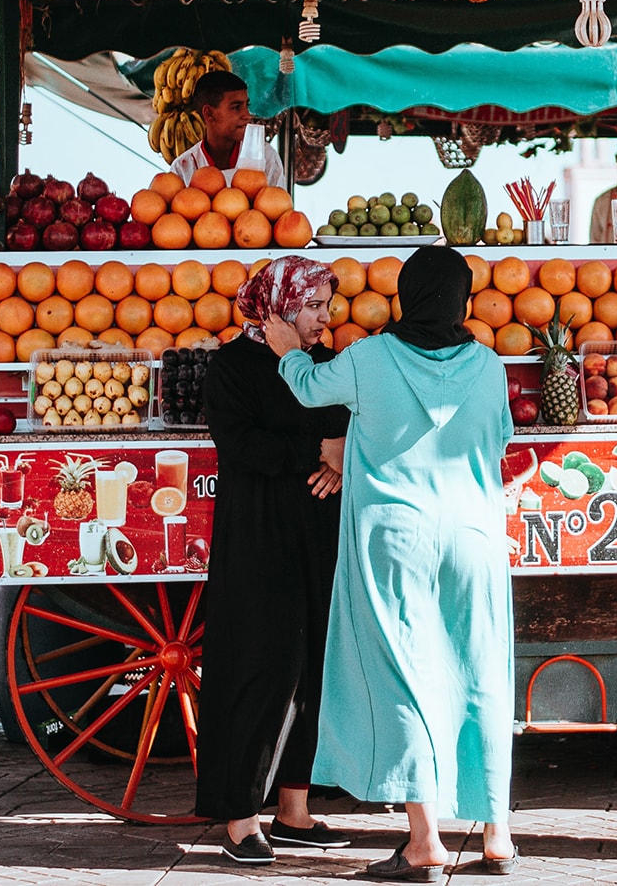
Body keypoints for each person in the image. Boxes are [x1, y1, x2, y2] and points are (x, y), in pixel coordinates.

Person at [264, 246, 516, 881]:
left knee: (405, 675)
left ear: (404, 296)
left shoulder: (369, 357)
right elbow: (501, 438)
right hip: (474, 538)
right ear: (462, 300)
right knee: (482, 670)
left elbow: (306, 387)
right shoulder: (487, 365)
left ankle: (425, 840)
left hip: (395, 538)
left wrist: (285, 348)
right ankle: (497, 835)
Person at [193, 256, 353, 865]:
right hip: (259, 537)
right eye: (313, 306)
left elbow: (347, 428)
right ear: (279, 305)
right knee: (260, 668)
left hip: (319, 532)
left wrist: (340, 463)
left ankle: (293, 809)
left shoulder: (321, 366)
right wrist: (318, 450)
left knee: (316, 667)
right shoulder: (231, 366)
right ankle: (238, 816)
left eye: (325, 306)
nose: (324, 317)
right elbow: (241, 445)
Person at [171, 70, 288, 187]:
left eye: (246, 105)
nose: (247, 115)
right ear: (209, 113)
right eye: (236, 107)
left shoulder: (265, 157)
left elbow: (280, 202)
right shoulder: (183, 169)